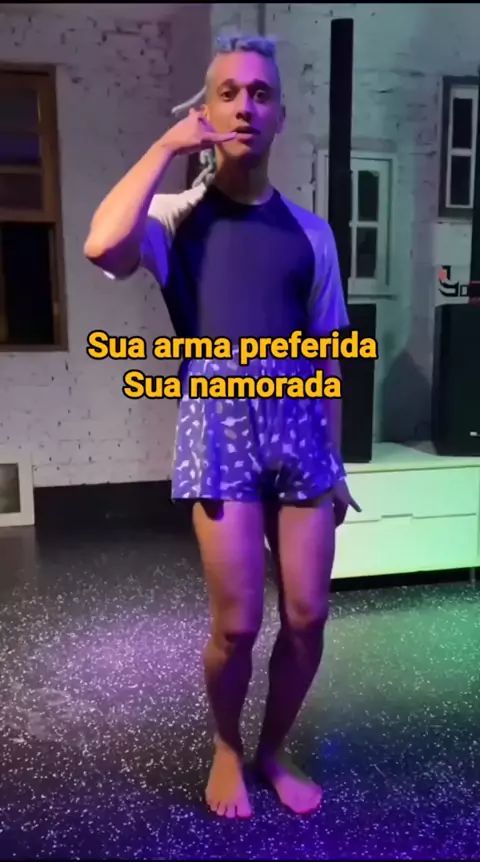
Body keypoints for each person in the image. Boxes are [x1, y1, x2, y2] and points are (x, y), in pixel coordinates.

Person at [84, 34, 360, 820]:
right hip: (219, 427)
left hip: (300, 429)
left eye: (260, 94)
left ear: (280, 116)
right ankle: (228, 748)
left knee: (307, 616)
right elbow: (102, 244)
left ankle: (272, 749)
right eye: (228, 93)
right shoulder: (175, 219)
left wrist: (336, 461)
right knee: (236, 627)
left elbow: (330, 354)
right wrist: (166, 147)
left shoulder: (311, 233)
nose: (245, 107)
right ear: (205, 110)